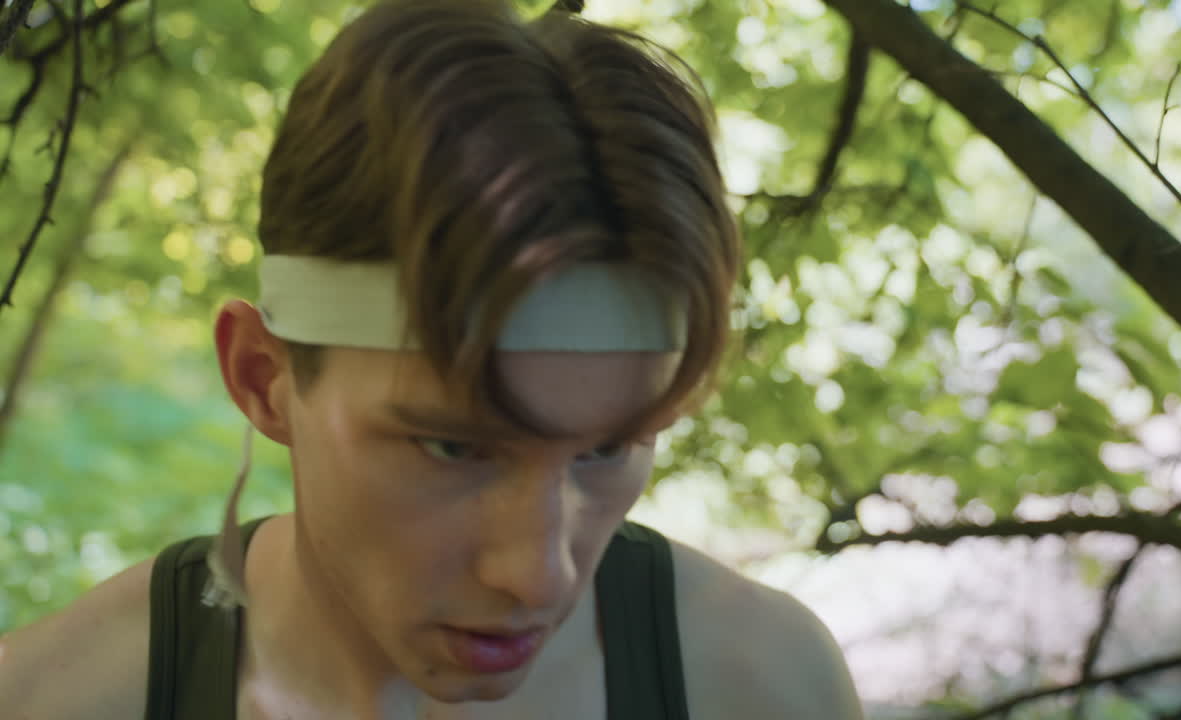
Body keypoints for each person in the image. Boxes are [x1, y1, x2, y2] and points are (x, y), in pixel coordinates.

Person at [0, 1, 865, 718]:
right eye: (453, 447)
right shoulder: (56, 699)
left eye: (607, 448)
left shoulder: (763, 686)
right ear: (264, 378)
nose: (538, 575)